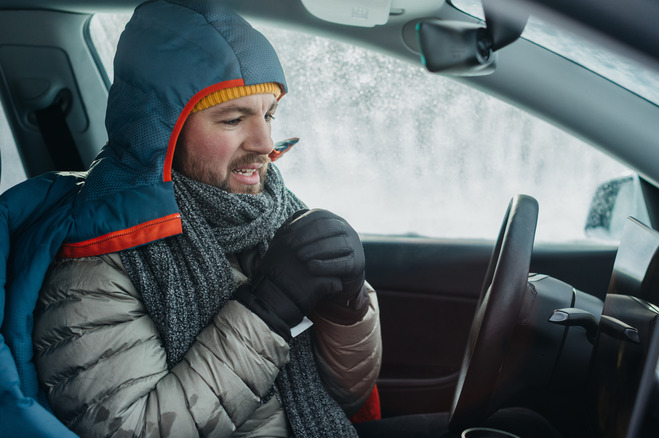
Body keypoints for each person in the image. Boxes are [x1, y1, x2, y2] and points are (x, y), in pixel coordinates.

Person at [0, 0, 380, 436]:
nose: (264, 141)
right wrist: (266, 312)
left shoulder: (272, 216)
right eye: (234, 119)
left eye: (269, 114)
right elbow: (134, 430)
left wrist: (348, 309)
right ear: (165, 131)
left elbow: (344, 397)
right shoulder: (96, 268)